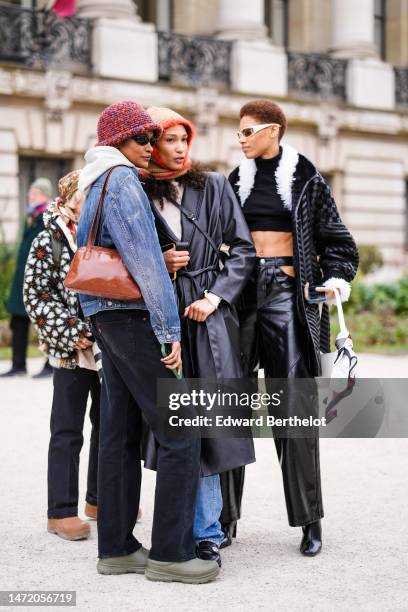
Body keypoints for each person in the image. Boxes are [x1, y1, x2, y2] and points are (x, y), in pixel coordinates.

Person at [77, 100, 219, 584]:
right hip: (136, 318)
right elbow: (147, 268)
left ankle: (117, 549)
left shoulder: (92, 180)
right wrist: (169, 333)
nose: (150, 147)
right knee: (181, 429)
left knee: (118, 432)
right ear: (118, 139)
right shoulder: (122, 181)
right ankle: (173, 556)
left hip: (105, 316)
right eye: (142, 138)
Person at [229, 99, 359, 556]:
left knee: (294, 409)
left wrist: (333, 282)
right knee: (230, 407)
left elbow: (340, 244)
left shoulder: (306, 179)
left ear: (273, 131)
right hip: (240, 297)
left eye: (247, 131)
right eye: (239, 132)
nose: (240, 139)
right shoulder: (233, 182)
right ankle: (225, 521)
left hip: (287, 295)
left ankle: (310, 521)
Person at [140, 106, 256, 566]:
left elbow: (244, 250)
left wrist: (215, 296)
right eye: (168, 139)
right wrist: (158, 263)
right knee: (166, 428)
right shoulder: (135, 191)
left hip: (205, 317)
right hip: (159, 316)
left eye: (183, 137)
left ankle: (207, 532)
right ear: (150, 145)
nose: (179, 147)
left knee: (205, 425)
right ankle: (170, 527)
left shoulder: (214, 186)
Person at [23, 170, 100, 541]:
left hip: (108, 347)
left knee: (110, 426)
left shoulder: (104, 233)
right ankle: (60, 512)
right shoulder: (48, 239)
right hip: (71, 351)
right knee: (67, 431)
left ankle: (99, 500)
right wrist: (72, 331)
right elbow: (35, 294)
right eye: (89, 193)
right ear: (72, 197)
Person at [2, 178, 53, 378]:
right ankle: (18, 365)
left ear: (45, 195)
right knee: (18, 320)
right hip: (22, 278)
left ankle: (51, 364)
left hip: (40, 279)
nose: (31, 196)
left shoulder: (47, 216)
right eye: (30, 192)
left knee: (47, 321)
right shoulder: (30, 216)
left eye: (36, 193)